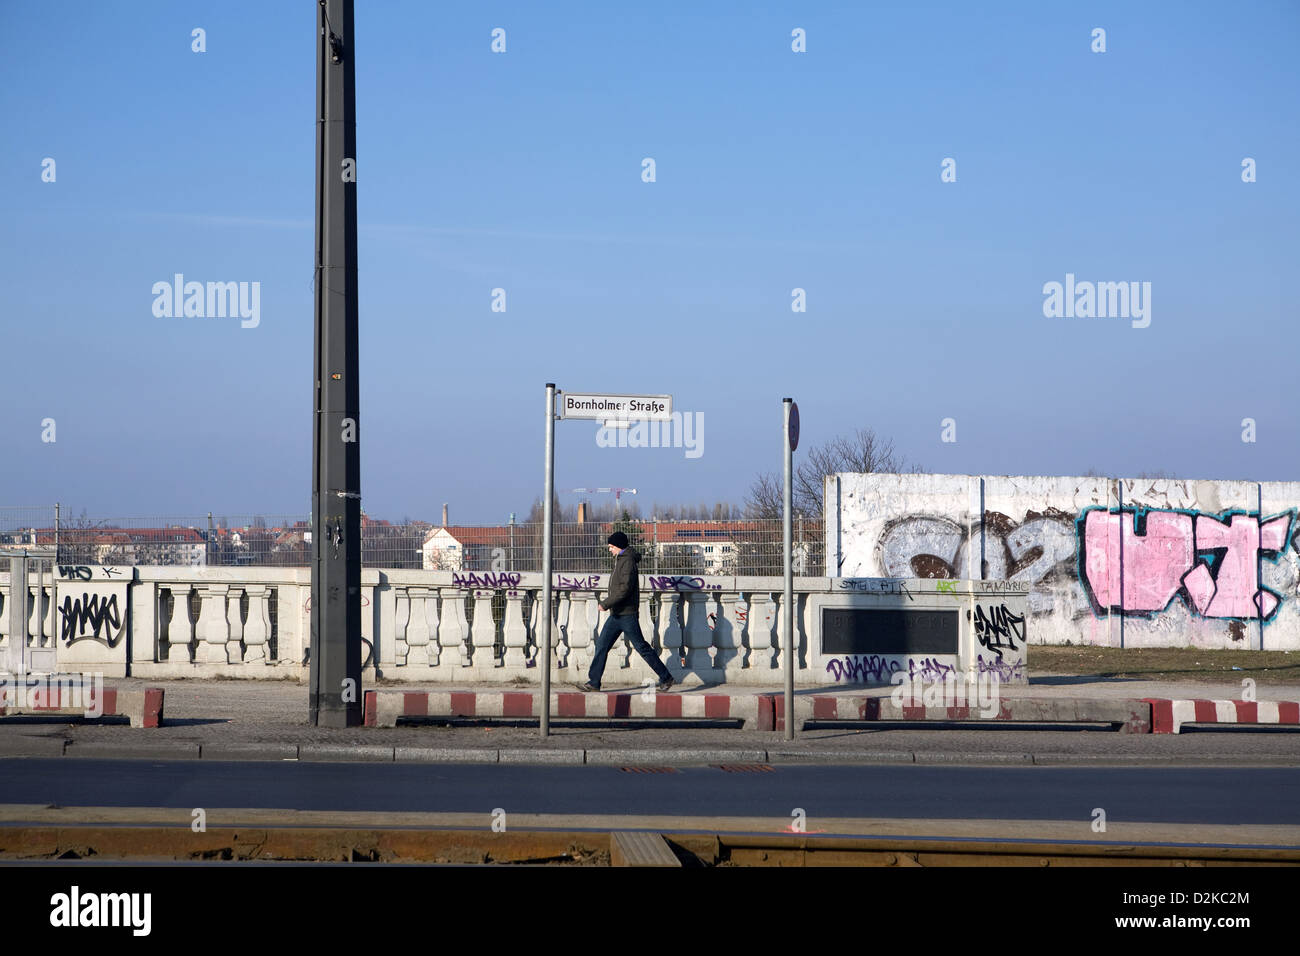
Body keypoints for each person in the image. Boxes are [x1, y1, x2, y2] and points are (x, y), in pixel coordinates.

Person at [575, 531, 675, 692]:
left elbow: (624, 589)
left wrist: (606, 603)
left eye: (611, 546)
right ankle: (594, 683)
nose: (610, 550)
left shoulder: (627, 561)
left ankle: (666, 678)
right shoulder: (622, 559)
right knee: (602, 645)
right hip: (617, 614)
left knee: (641, 647)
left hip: (626, 614)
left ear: (619, 546)